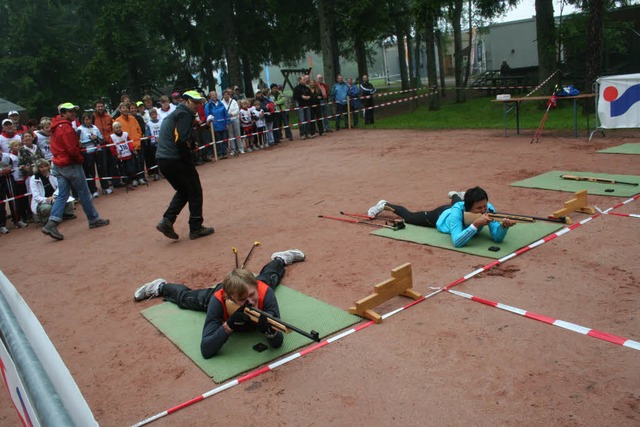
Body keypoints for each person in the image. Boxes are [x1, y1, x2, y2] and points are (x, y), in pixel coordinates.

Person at [133, 249, 305, 358]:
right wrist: (228, 325)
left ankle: (280, 258)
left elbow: (277, 343)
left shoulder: (263, 293)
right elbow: (206, 350)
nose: (251, 302)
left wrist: (269, 330)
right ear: (229, 298)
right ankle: (161, 287)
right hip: (218, 295)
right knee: (186, 299)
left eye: (252, 295)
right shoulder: (218, 300)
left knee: (270, 278)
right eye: (243, 300)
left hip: (256, 285)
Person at [41, 102, 110, 241]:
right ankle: (93, 219)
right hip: (70, 164)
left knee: (62, 195)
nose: (74, 113)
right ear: (64, 113)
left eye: (74, 111)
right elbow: (71, 149)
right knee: (84, 192)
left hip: (59, 164)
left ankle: (52, 223)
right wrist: (79, 159)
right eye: (71, 111)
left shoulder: (56, 127)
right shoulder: (66, 128)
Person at [367, 187, 516, 248]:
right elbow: (457, 242)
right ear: (468, 207)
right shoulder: (459, 211)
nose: (484, 210)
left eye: (485, 206)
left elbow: (497, 238)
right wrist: (476, 225)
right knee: (410, 217)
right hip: (441, 216)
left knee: (457, 202)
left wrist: (503, 227)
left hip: (460, 207)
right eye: (479, 208)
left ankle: (456, 195)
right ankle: (384, 204)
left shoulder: (488, 208)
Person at [155, 90, 214, 241]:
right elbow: (180, 139)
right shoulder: (184, 114)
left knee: (183, 191)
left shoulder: (178, 114)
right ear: (185, 101)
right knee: (194, 190)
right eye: (195, 102)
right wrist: (189, 159)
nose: (197, 105)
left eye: (199, 102)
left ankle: (167, 220)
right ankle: (196, 227)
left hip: (163, 160)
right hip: (175, 158)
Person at [29, 159, 75, 225]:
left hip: (54, 197)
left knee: (67, 191)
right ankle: (44, 219)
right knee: (47, 208)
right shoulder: (33, 179)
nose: (44, 169)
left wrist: (54, 196)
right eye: (41, 167)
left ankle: (67, 213)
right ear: (38, 169)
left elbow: (60, 186)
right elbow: (36, 196)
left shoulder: (53, 173)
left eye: (45, 166)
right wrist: (47, 200)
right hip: (42, 202)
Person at [77, 113, 104, 198]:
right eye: (86, 119)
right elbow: (79, 143)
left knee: (101, 169)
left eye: (89, 119)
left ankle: (105, 187)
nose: (88, 121)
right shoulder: (79, 129)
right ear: (83, 120)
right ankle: (93, 190)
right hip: (87, 153)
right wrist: (90, 140)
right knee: (90, 171)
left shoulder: (95, 127)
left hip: (98, 151)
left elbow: (101, 140)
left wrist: (96, 139)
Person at [93, 100, 117, 192]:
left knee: (113, 163)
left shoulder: (108, 117)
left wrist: (110, 137)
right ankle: (105, 185)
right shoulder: (93, 117)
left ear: (104, 107)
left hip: (109, 143)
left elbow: (112, 128)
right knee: (102, 165)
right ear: (95, 108)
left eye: (101, 106)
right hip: (100, 144)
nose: (100, 108)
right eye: (98, 106)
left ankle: (116, 181)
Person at [204, 91, 230, 159]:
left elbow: (226, 114)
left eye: (215, 95)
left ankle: (224, 152)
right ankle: (219, 153)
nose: (214, 96)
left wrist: (227, 123)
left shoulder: (221, 104)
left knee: (224, 139)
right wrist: (209, 125)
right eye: (212, 95)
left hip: (223, 125)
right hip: (215, 126)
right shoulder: (208, 106)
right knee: (218, 140)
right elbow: (208, 116)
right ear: (210, 97)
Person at [292, 75, 315, 140]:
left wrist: (309, 97)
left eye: (305, 79)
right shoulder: (296, 88)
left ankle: (308, 133)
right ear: (299, 80)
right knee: (301, 120)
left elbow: (311, 95)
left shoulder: (307, 88)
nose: (305, 80)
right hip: (300, 106)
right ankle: (302, 134)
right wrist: (302, 97)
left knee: (308, 119)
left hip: (307, 105)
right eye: (303, 79)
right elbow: (294, 96)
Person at [223, 89, 243, 155]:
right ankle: (233, 149)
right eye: (225, 95)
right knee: (230, 135)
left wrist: (232, 113)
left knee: (237, 133)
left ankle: (240, 148)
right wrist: (227, 115)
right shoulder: (221, 102)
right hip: (227, 120)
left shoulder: (233, 101)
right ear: (223, 95)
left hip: (235, 118)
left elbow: (237, 109)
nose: (226, 96)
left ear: (229, 95)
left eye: (227, 94)